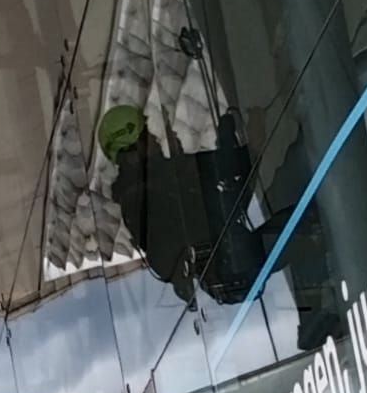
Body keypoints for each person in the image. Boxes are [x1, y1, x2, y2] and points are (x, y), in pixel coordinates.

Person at [98, 104, 266, 307]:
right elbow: (231, 165)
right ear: (138, 144)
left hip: (232, 274)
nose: (154, 139)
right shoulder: (166, 176)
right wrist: (246, 130)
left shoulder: (133, 200)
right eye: (147, 134)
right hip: (241, 264)